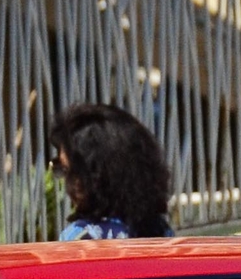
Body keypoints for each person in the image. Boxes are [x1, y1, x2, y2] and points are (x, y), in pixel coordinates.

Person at [49, 103, 174, 241]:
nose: (66, 183)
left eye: (66, 170)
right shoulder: (160, 231)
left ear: (94, 176)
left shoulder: (79, 238)